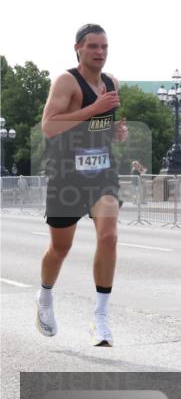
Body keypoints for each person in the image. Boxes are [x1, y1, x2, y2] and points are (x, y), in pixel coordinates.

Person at [36, 23, 129, 347]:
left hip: (102, 172)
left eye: (104, 46)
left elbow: (103, 125)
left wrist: (117, 131)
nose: (100, 52)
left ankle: (100, 316)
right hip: (66, 174)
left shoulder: (111, 82)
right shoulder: (66, 81)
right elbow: (49, 126)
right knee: (60, 248)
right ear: (78, 48)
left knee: (109, 235)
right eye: (93, 46)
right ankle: (45, 296)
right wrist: (94, 109)